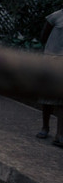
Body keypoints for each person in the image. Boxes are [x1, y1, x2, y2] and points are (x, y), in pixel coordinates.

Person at [36, 8, 63, 145]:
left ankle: (60, 134)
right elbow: (43, 36)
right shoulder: (56, 16)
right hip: (51, 59)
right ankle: (45, 127)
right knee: (47, 98)